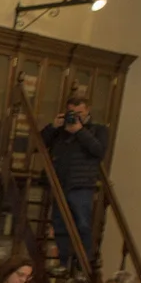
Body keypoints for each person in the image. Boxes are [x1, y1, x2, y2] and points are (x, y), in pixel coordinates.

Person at [39, 95, 110, 268]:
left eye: (80, 112)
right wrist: (52, 127)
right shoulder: (59, 131)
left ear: (88, 111)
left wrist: (79, 130)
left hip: (82, 184)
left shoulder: (98, 130)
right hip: (59, 183)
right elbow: (38, 144)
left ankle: (82, 262)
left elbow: (98, 150)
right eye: (72, 113)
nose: (75, 116)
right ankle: (65, 262)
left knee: (82, 224)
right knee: (60, 225)